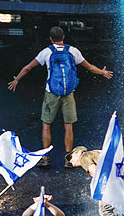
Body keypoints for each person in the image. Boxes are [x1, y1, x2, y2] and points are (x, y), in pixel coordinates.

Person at [8, 26, 113, 165]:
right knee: (68, 125)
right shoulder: (73, 51)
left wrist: (17, 79)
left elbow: (28, 67)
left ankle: (45, 158)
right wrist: (103, 72)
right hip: (68, 93)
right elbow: (89, 67)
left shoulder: (46, 52)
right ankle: (68, 159)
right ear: (63, 37)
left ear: (51, 39)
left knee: (46, 124)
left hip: (51, 93)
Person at [65, 145, 124, 216]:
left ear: (79, 152)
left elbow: (98, 175)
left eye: (71, 157)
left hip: (121, 177)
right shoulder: (97, 153)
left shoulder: (84, 157)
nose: (70, 161)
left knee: (105, 210)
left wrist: (102, 197)